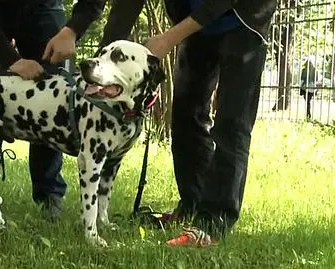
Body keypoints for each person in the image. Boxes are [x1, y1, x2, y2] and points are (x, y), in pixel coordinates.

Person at [99, 0, 276, 246]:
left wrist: (169, 38)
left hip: (244, 20)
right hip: (198, 27)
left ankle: (213, 223)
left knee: (232, 124)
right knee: (185, 114)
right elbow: (126, 7)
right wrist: (101, 65)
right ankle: (192, 205)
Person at [0, 0, 106, 220]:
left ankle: (49, 195)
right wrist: (10, 60)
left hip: (43, 8)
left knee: (50, 94)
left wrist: (73, 29)